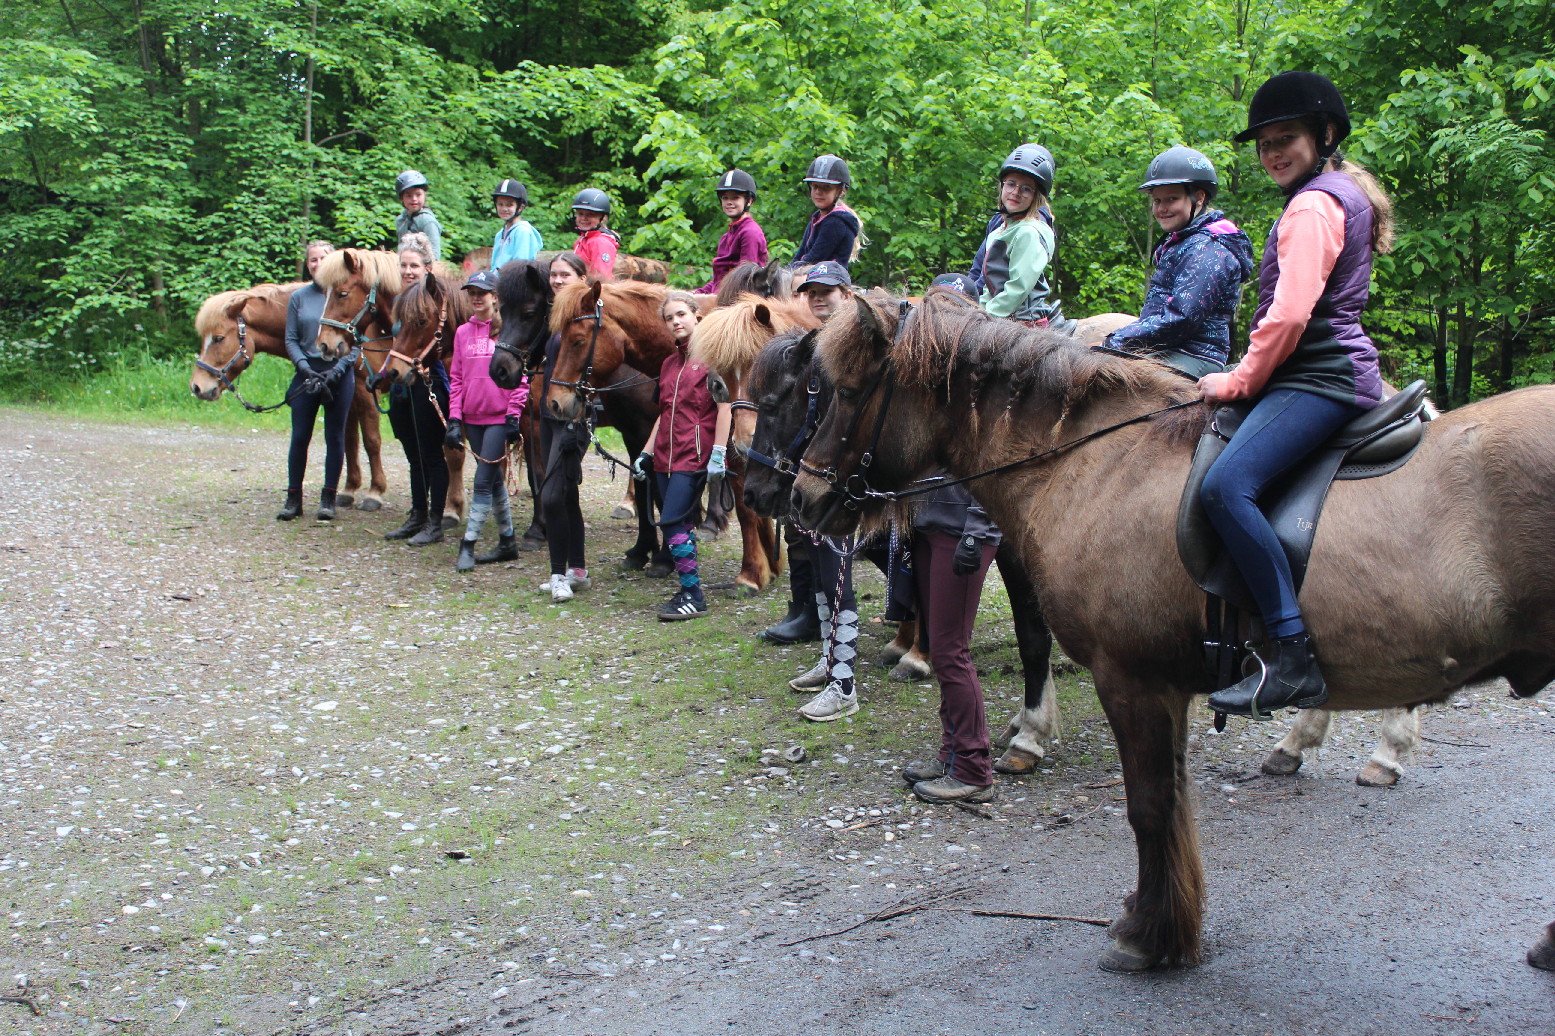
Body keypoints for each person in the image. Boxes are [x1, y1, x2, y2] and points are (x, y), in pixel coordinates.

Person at [1199, 71, 1394, 720]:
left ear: (1324, 135)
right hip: (1316, 371)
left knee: (1225, 487)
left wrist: (1236, 380)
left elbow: (1287, 317)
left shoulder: (1312, 206)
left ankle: (1290, 655)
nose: (1273, 152)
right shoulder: (1335, 194)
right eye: (1265, 144)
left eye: (1286, 138)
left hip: (1319, 377)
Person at [898, 465, 1004, 803]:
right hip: (928, 525)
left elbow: (991, 465)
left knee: (951, 650)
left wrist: (976, 531)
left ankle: (974, 771)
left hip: (961, 530)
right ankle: (952, 753)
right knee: (938, 645)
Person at [1103, 147, 1254, 378]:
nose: (1161, 208)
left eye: (1172, 199)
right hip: (1167, 349)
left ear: (1199, 197)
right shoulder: (1183, 241)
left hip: (1195, 355)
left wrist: (1118, 339)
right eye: (1157, 200)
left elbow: (1182, 318)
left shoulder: (1209, 249)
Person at [631, 291, 731, 620]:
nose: (675, 321)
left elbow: (725, 407)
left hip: (695, 455)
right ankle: (688, 589)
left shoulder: (714, 358)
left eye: (681, 314)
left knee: (672, 520)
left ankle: (693, 595)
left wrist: (718, 452)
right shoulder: (668, 364)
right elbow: (664, 413)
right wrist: (646, 453)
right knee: (680, 524)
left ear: (696, 315)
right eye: (669, 318)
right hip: (664, 457)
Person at [444, 269, 527, 571]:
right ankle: (507, 541)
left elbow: (521, 377)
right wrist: (455, 419)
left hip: (498, 417)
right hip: (472, 417)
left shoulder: (507, 330)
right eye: (472, 293)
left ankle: (468, 544)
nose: (477, 298)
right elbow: (456, 378)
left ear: (495, 297)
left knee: (481, 481)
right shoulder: (462, 333)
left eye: (483, 293)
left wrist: (514, 413)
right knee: (492, 483)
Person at [381, 233, 453, 546]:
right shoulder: (402, 300)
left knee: (432, 453)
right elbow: (398, 343)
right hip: (403, 384)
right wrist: (382, 374)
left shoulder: (436, 300)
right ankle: (417, 514)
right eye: (404, 265)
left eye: (414, 265)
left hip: (428, 380)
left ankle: (435, 521)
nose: (408, 271)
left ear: (427, 268)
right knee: (413, 454)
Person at [277, 239, 355, 522]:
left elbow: (357, 339)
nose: (318, 263)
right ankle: (293, 498)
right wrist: (304, 367)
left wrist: (339, 369)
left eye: (323, 258)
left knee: (335, 436)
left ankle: (328, 498)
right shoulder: (299, 298)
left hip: (338, 373)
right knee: (300, 437)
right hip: (307, 372)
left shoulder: (346, 295)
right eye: (313, 259)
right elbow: (291, 339)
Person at [537, 252, 594, 603]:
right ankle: (579, 570)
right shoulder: (558, 316)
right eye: (553, 274)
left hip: (573, 418)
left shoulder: (587, 319)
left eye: (565, 274)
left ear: (581, 278)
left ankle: (558, 574)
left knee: (551, 496)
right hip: (549, 417)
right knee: (566, 492)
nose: (557, 280)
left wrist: (578, 418)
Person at [978, 144, 1064, 326]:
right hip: (1000, 319)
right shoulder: (1000, 231)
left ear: (1035, 196)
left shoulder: (1029, 233)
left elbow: (1017, 288)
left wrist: (986, 318)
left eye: (1026, 188)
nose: (1015, 192)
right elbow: (988, 288)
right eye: (1011, 184)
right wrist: (978, 311)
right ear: (1002, 186)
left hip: (1023, 322)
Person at [698, 169, 769, 293]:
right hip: (723, 294)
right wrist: (698, 293)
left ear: (749, 200)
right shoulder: (727, 236)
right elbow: (718, 281)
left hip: (739, 297)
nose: (729, 202)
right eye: (725, 198)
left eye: (735, 198)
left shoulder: (750, 232)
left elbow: (745, 278)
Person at [791, 155, 861, 268]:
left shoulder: (835, 223)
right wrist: (783, 272)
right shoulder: (816, 219)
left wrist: (787, 273)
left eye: (826, 187)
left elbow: (813, 259)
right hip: (812, 273)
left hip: (829, 275)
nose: (818, 192)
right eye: (815, 186)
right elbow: (799, 256)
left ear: (841, 191)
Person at [490, 178, 543, 271]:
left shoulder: (522, 232)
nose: (504, 208)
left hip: (513, 278)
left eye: (509, 205)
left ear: (520, 207)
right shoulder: (500, 234)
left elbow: (519, 267)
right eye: (500, 204)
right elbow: (494, 266)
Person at [570, 189, 621, 279]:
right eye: (580, 214)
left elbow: (601, 277)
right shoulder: (582, 240)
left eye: (590, 215)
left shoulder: (600, 242)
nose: (584, 218)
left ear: (603, 218)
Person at [394, 170, 442, 261]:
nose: (414, 199)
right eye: (409, 196)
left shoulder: (427, 221)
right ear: (402, 198)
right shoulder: (401, 220)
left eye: (418, 194)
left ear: (424, 195)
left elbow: (435, 256)